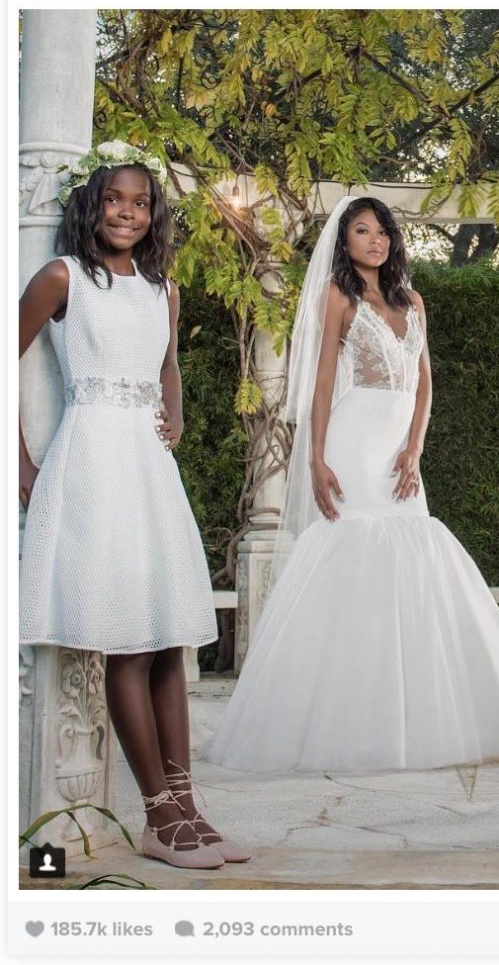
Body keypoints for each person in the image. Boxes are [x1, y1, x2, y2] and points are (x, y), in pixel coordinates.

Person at [206, 196, 499, 772]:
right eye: (361, 231)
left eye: (381, 231)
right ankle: (340, 724)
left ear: (392, 240)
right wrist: (316, 457)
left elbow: (425, 386)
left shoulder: (413, 301)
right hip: (352, 441)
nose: (374, 240)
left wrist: (415, 448)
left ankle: (418, 719)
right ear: (344, 243)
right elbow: (321, 385)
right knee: (350, 558)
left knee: (412, 561)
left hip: (398, 453)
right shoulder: (338, 297)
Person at [20, 141, 248, 870]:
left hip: (147, 468)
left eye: (141, 202)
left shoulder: (163, 289)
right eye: (115, 199)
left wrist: (173, 415)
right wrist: (18, 458)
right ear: (93, 204)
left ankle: (185, 803)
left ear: (154, 216)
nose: (127, 211)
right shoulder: (63, 280)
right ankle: (156, 814)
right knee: (126, 638)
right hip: (92, 460)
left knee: (168, 642)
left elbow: (168, 364)